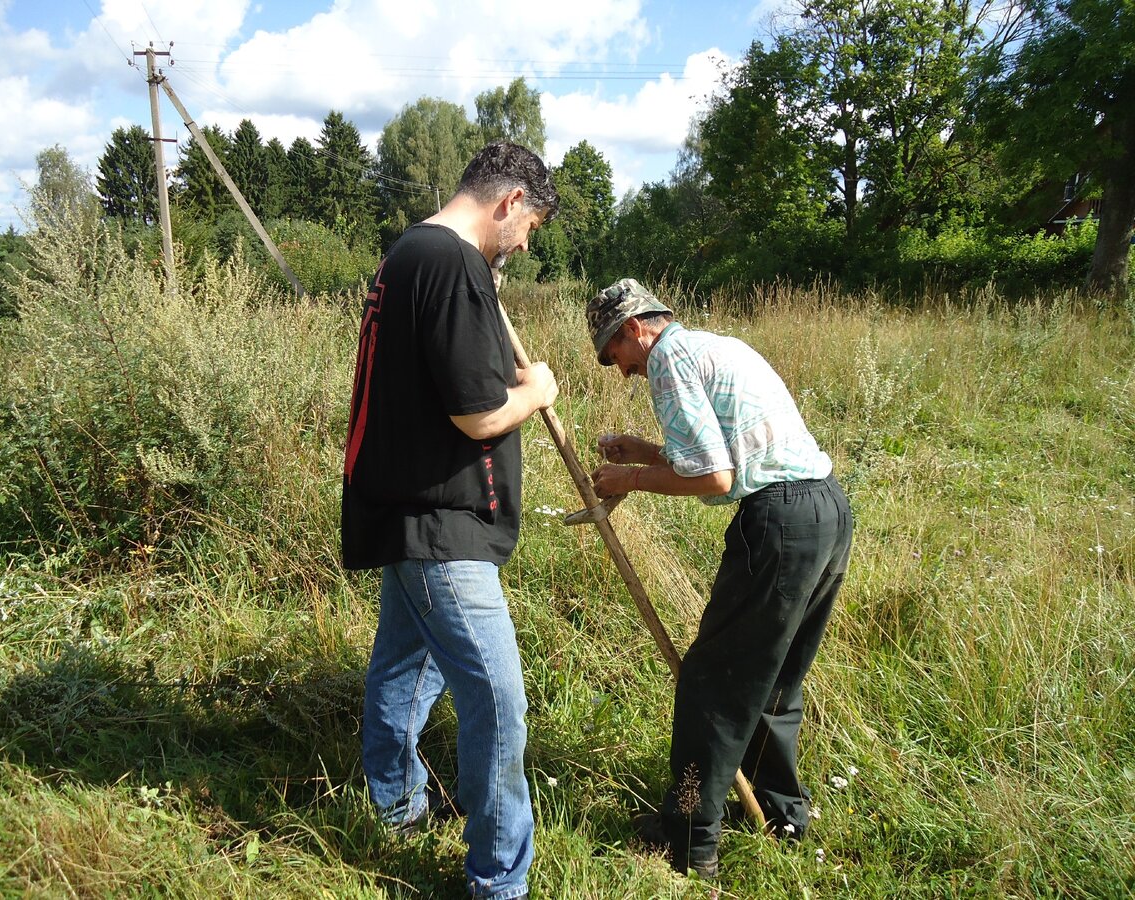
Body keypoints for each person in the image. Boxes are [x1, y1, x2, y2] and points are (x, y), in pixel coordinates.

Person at [342, 141, 560, 900]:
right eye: (530, 225)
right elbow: (476, 415)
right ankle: (499, 880)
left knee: (403, 671)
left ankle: (396, 805)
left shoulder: (410, 253)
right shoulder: (451, 262)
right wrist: (538, 392)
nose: (527, 242)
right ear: (507, 203)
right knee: (498, 700)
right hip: (441, 526)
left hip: (411, 514)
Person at [584, 278, 853, 879]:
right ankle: (785, 820)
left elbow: (716, 479)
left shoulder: (668, 360)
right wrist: (644, 455)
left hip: (781, 523)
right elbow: (721, 455)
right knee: (776, 683)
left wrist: (625, 481)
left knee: (712, 683)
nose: (617, 369)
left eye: (612, 354)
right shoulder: (712, 346)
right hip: (828, 512)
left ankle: (687, 841)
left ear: (634, 329)